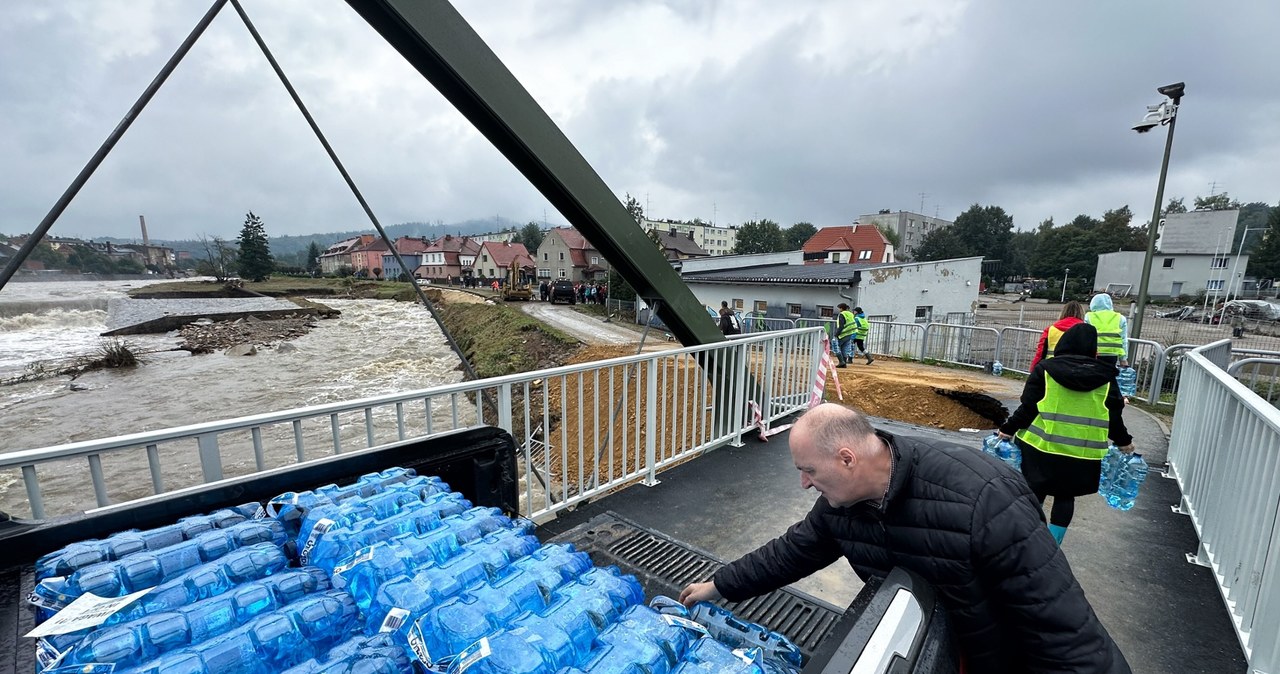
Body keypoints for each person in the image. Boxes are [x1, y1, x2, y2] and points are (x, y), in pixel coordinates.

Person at [678, 403, 1131, 671]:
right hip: (933, 653)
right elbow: (793, 551)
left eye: (808, 471)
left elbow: (1061, 627)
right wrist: (719, 585)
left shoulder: (983, 499)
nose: (803, 484)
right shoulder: (842, 504)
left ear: (847, 458)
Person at [999, 323, 1133, 546]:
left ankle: (1027, 540)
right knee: (1065, 496)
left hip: (1041, 448)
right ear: (1094, 349)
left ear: (1063, 344)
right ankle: (1053, 545)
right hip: (1083, 454)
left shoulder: (1045, 370)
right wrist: (1124, 441)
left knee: (1035, 492)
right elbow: (1113, 417)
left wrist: (1007, 429)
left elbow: (1028, 408)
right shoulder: (1106, 378)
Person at [1029, 300, 1085, 371]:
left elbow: (1040, 353)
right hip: (1077, 370)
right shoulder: (1086, 331)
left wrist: (1033, 370)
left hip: (1051, 369)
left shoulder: (1050, 330)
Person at [1085, 293, 1128, 368]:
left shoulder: (1089, 317)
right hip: (1112, 354)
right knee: (1109, 376)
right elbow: (1123, 340)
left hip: (1094, 353)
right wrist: (1123, 359)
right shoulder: (1120, 318)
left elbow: (1085, 337)